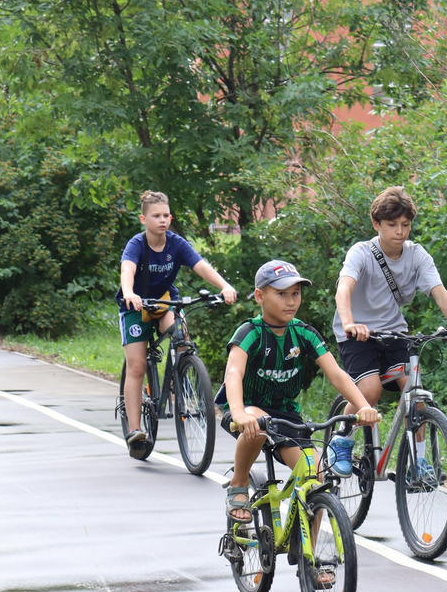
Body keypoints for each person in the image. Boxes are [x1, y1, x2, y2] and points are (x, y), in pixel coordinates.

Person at [220, 259, 380, 524]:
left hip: (286, 416)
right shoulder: (250, 332)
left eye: (296, 293)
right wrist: (238, 412)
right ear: (260, 296)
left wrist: (363, 406)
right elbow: (234, 372)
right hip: (246, 411)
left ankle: (314, 560)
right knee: (258, 423)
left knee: (316, 477)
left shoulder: (304, 334)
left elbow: (337, 375)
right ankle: (238, 483)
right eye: (281, 294)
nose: (291, 301)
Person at [330, 186, 447, 476]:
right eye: (392, 225)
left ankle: (419, 463)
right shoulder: (362, 252)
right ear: (377, 224)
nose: (400, 231)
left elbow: (440, 292)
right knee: (369, 390)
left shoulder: (417, 256)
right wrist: (349, 323)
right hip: (358, 333)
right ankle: (342, 439)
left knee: (416, 393)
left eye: (405, 225)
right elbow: (343, 289)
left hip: (394, 332)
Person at [117, 190, 236, 459]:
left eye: (166, 215)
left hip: (163, 303)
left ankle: (182, 379)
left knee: (182, 338)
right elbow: (128, 270)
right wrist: (129, 292)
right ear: (143, 218)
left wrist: (224, 286)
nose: (162, 220)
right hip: (135, 305)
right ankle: (135, 430)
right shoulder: (137, 244)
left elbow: (200, 265)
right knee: (136, 366)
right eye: (156, 216)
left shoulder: (176, 244)